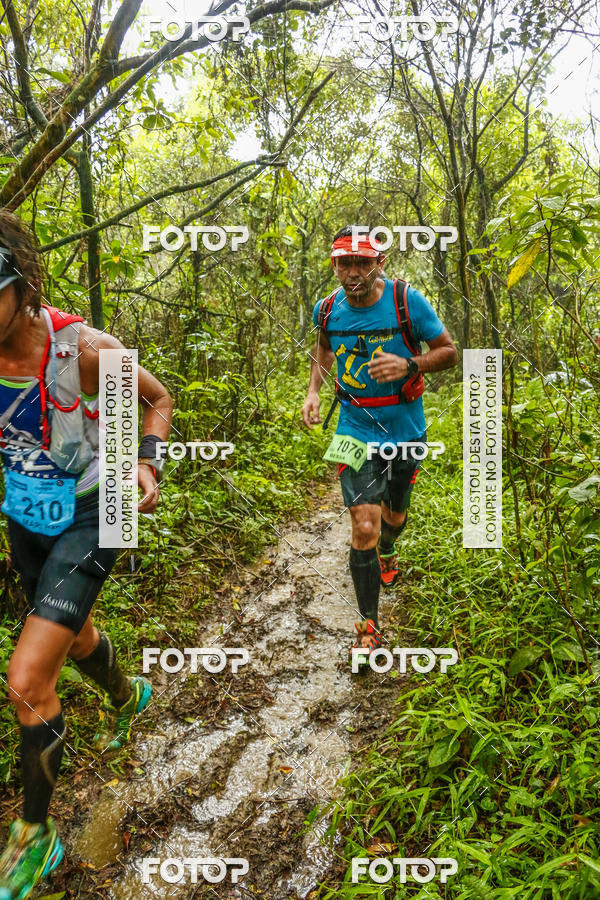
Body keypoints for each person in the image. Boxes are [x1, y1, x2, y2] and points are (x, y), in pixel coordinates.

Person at [0, 212, 173, 899]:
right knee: (68, 639)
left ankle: (34, 839)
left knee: (25, 680)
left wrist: (145, 464)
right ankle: (129, 695)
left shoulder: (83, 352)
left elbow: (157, 399)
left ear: (21, 285)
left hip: (94, 511)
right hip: (26, 520)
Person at [302, 225, 458, 660]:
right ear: (334, 264)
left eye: (362, 263)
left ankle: (390, 549)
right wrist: (313, 390)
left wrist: (410, 363)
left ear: (380, 262)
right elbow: (322, 349)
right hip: (352, 429)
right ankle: (369, 627)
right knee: (364, 525)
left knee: (395, 514)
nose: (353, 272)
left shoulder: (407, 301)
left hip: (406, 428)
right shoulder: (328, 309)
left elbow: (448, 351)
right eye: (344, 263)